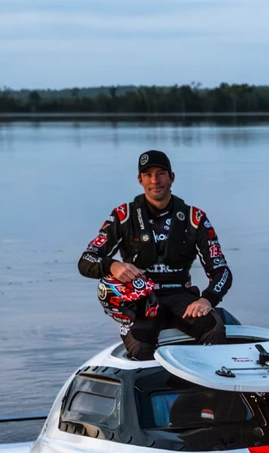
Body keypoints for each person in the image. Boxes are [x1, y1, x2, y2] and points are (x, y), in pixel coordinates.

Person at [77, 150, 233, 359]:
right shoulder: (123, 216)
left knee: (214, 329)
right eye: (148, 175)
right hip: (140, 301)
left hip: (182, 297)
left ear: (172, 177)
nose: (155, 180)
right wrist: (112, 266)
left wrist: (207, 299)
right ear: (140, 180)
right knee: (141, 349)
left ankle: (209, 385)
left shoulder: (195, 217)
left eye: (160, 173)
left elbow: (221, 271)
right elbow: (86, 260)